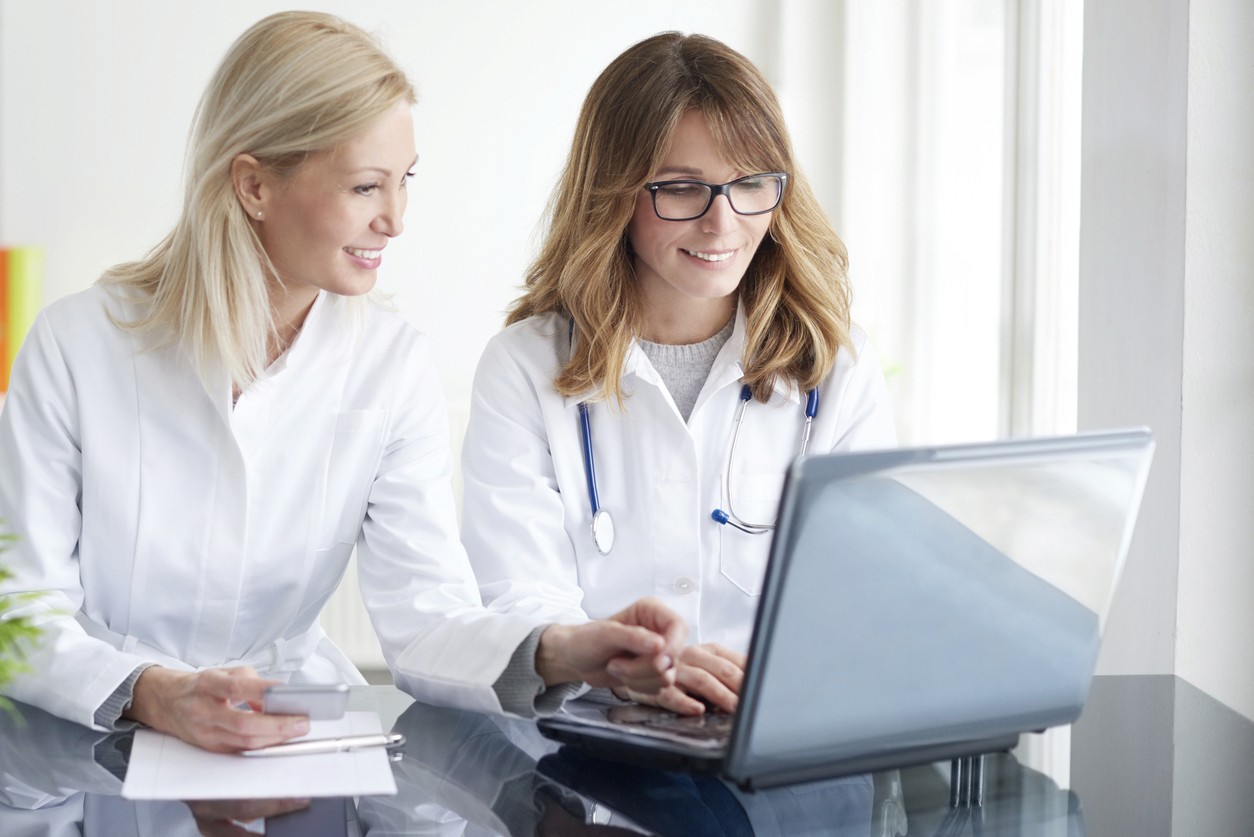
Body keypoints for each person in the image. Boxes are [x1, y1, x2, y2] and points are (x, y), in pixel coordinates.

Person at [0, 11, 686, 754]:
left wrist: (563, 648)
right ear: (254, 184)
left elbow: (427, 615)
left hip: (296, 739)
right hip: (91, 732)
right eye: (365, 186)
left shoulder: (390, 365)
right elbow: (21, 609)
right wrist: (151, 690)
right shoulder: (78, 343)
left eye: (405, 182)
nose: (395, 220)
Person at [460, 32, 897, 716]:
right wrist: (621, 661)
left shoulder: (835, 370)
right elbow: (519, 594)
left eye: (751, 184)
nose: (723, 222)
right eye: (682, 188)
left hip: (778, 741)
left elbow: (865, 594)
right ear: (614, 195)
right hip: (589, 748)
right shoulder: (525, 366)